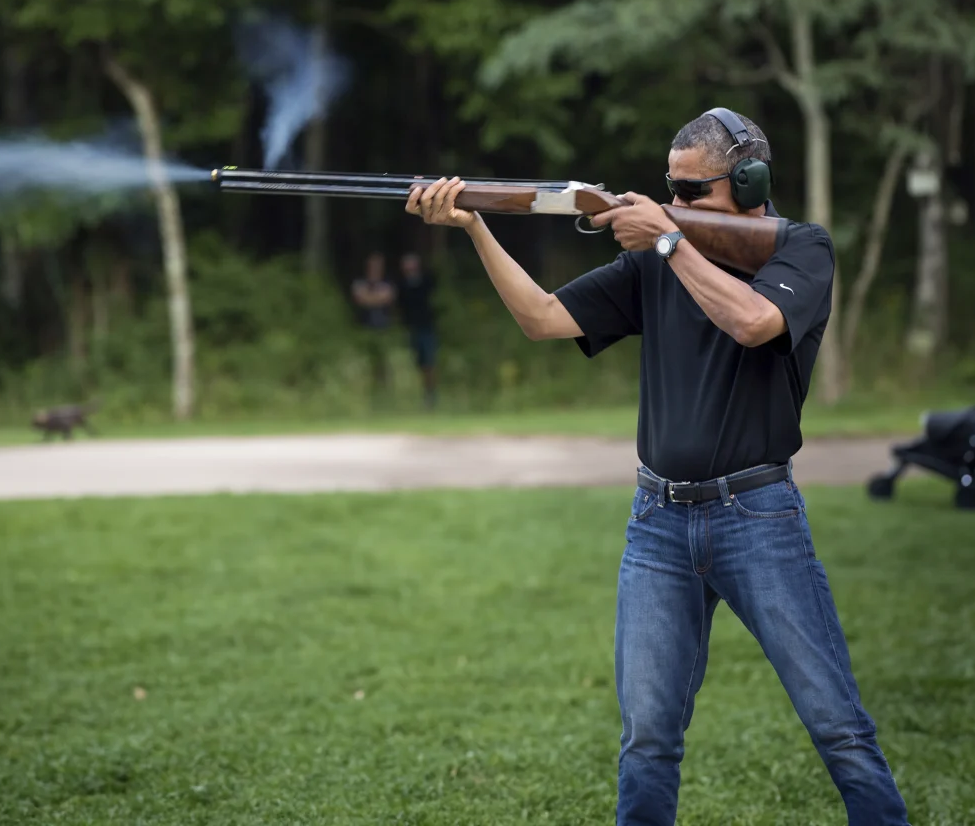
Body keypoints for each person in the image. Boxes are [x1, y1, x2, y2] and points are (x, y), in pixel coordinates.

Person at [405, 108, 910, 826]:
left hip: (758, 517)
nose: (673, 203)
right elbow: (543, 318)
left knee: (839, 729)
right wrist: (475, 228)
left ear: (750, 181)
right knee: (646, 740)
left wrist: (670, 240)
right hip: (658, 526)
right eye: (666, 189)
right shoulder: (656, 256)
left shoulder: (802, 249)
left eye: (690, 191)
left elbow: (754, 322)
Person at [351, 252, 397, 394]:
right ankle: (365, 392)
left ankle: (383, 393)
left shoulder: (387, 283)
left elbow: (387, 297)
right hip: (364, 328)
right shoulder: (360, 282)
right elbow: (360, 299)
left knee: (383, 364)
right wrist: (376, 298)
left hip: (384, 329)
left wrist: (369, 298)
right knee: (364, 363)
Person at [398, 252, 439, 409]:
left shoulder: (426, 281)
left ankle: (430, 395)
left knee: (428, 362)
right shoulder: (401, 285)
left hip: (426, 327)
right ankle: (412, 396)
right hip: (409, 329)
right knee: (413, 363)